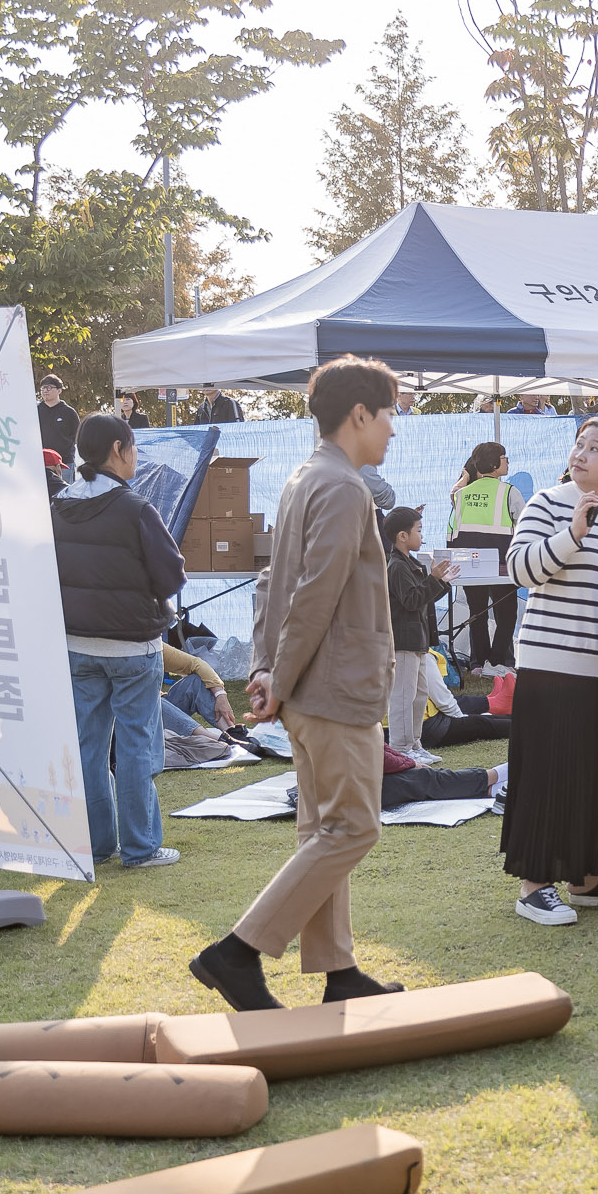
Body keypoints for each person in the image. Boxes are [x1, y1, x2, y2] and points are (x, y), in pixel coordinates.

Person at [191, 356, 407, 1009]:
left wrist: (264, 669)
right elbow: (314, 593)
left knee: (324, 832)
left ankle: (338, 971)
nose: (394, 429)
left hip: (310, 689)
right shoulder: (343, 488)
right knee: (354, 828)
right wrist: (277, 678)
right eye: (390, 413)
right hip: (334, 687)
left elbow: (270, 585)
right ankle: (238, 951)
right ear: (360, 414)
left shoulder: (302, 479)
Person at [503, 415, 598, 925]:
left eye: (594, 448)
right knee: (548, 775)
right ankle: (533, 886)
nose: (580, 454)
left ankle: (589, 879)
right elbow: (520, 570)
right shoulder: (547, 502)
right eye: (579, 445)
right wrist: (572, 534)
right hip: (550, 667)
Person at [51, 413, 187, 871]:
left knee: (88, 747)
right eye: (133, 447)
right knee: (136, 745)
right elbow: (171, 576)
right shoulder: (136, 508)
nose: (136, 456)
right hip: (132, 647)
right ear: (118, 449)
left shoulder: (58, 506)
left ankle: (96, 843)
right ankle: (141, 847)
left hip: (75, 644)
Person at [383, 506, 460, 767]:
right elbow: (412, 600)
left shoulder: (410, 564)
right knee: (403, 696)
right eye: (418, 530)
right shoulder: (397, 567)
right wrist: (434, 579)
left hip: (417, 641)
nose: (422, 536)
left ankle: (414, 744)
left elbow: (421, 598)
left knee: (418, 694)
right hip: (403, 641)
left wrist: (441, 582)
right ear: (402, 536)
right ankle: (401, 747)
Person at [448, 441, 523, 676]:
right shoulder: (509, 491)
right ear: (493, 464)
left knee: (477, 612)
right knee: (507, 614)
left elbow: (452, 530)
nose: (507, 460)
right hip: (502, 565)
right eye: (503, 457)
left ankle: (477, 664)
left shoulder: (461, 494)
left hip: (469, 564)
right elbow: (525, 525)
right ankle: (497, 660)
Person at [421, 653, 511, 748]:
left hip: (425, 723)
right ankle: (522, 725)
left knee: (478, 719)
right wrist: (462, 718)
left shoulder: (417, 654)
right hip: (427, 728)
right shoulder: (424, 656)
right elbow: (442, 700)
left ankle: (517, 717)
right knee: (479, 723)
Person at [36, 375, 81, 466]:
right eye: (42, 388)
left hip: (65, 462)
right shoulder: (35, 411)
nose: (45, 391)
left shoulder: (69, 412)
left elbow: (78, 436)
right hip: (40, 463)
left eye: (48, 388)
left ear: (59, 390)